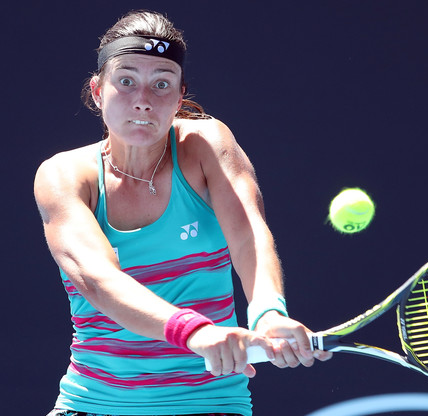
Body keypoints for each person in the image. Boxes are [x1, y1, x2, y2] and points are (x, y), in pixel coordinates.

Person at [35, 10, 330, 416]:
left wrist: (268, 312)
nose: (143, 99)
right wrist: (195, 332)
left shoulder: (207, 144)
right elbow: (98, 281)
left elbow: (248, 235)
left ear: (179, 96)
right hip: (91, 404)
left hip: (211, 403)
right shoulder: (63, 175)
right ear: (98, 91)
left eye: (161, 84)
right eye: (126, 81)